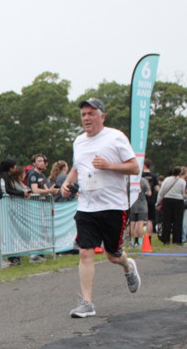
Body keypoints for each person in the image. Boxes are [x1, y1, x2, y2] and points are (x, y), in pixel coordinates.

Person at [60, 98, 141, 318]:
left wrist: (109, 165)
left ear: (102, 117)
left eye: (91, 114)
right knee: (85, 252)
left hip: (113, 206)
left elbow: (134, 167)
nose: (86, 118)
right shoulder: (79, 142)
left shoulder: (115, 137)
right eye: (83, 114)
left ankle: (128, 266)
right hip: (87, 206)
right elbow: (76, 168)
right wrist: (66, 184)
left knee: (113, 256)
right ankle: (87, 303)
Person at [156, 166, 186, 245]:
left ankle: (166, 239)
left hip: (167, 200)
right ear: (180, 173)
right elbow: (184, 193)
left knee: (167, 220)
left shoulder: (166, 180)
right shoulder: (182, 181)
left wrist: (158, 202)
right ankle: (177, 240)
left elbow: (161, 191)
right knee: (178, 221)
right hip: (179, 201)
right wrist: (185, 199)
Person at [128, 174, 150, 248]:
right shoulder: (143, 180)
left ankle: (131, 242)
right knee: (140, 224)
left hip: (132, 204)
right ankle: (139, 243)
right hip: (142, 204)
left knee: (132, 224)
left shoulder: (130, 181)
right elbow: (149, 193)